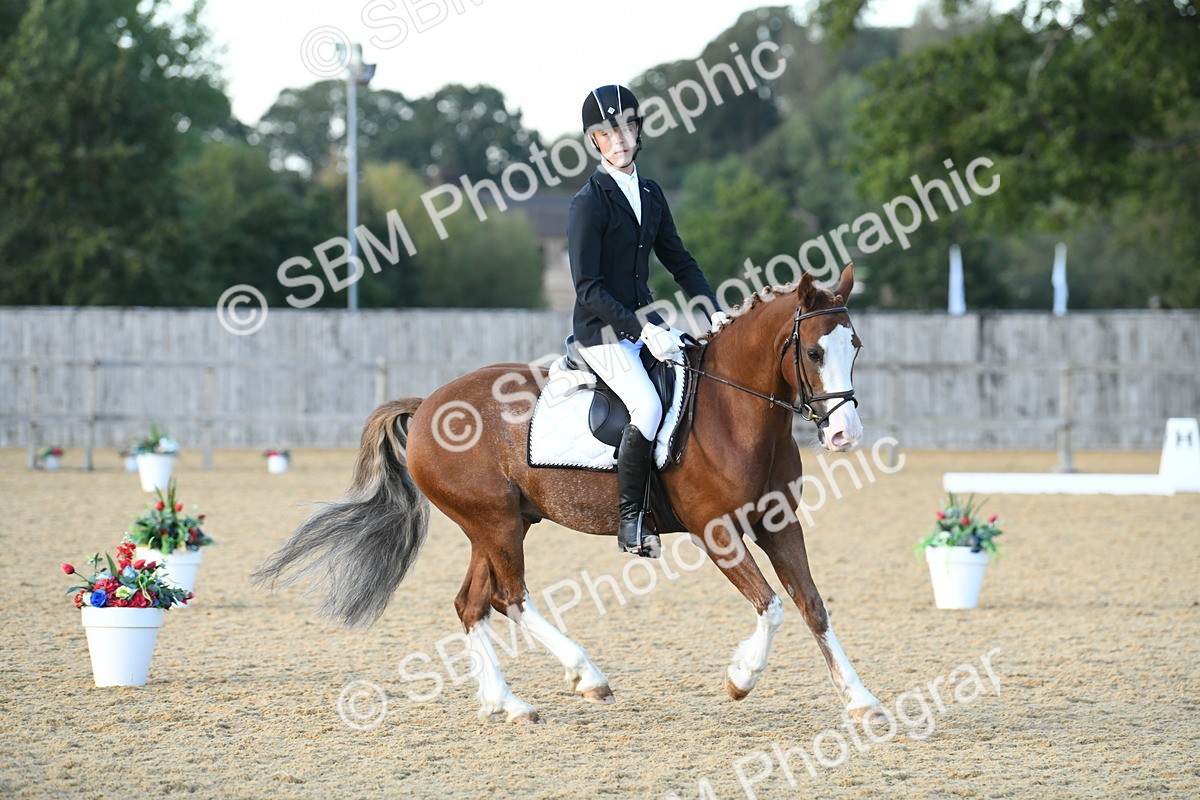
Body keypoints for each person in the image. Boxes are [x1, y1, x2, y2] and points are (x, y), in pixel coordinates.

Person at [567, 84, 729, 558]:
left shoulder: (651, 194)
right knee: (648, 409)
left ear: (639, 133)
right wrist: (644, 331)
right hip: (600, 333)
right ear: (595, 140)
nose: (620, 139)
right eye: (608, 132)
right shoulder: (589, 202)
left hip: (645, 326)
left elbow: (679, 260)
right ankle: (632, 521)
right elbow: (588, 289)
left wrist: (712, 309)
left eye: (628, 128)